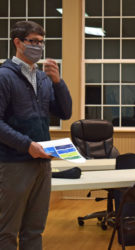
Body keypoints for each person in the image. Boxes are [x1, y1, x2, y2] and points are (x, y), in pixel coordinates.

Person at [0, 21, 72, 250]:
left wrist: (58, 83)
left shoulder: (42, 78)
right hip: (14, 163)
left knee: (35, 229)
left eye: (41, 42)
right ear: (18, 43)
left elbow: (65, 112)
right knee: (7, 230)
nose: (38, 47)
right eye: (33, 41)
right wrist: (26, 145)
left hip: (42, 162)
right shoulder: (4, 76)